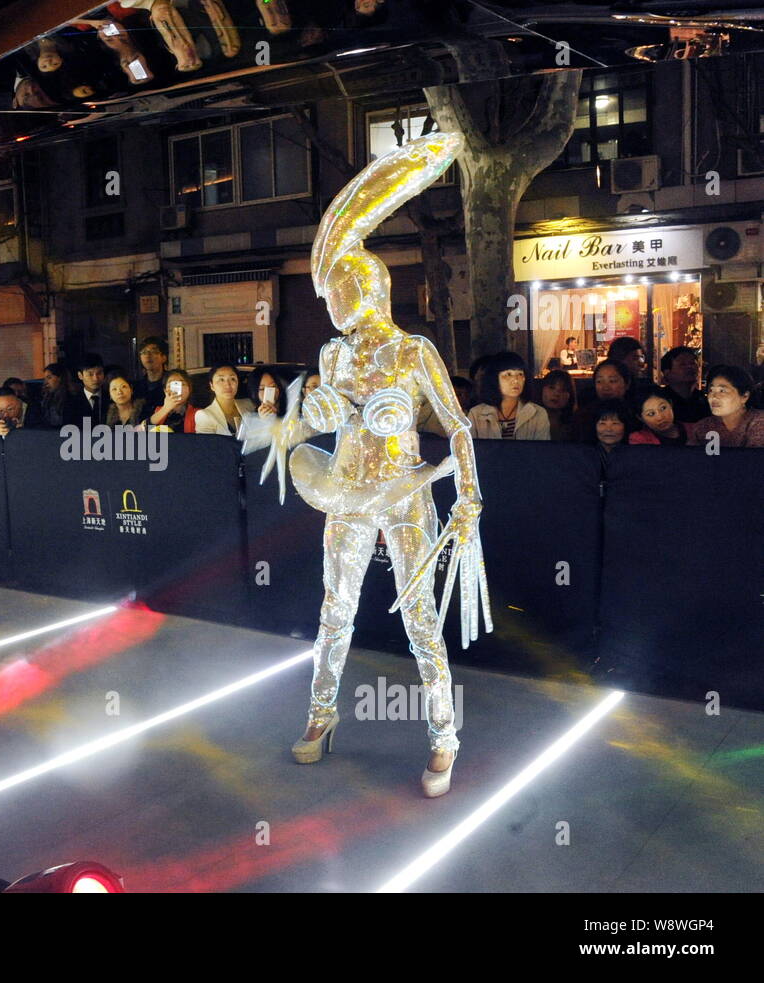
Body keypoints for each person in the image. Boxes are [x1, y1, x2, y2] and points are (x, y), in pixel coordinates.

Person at [250, 132, 486, 798]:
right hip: (346, 492)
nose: (327, 305)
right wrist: (306, 413)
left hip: (406, 496)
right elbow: (322, 419)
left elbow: (460, 425)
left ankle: (444, 733)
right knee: (335, 608)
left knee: (419, 621)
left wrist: (469, 498)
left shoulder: (414, 353)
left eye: (335, 293)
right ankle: (321, 714)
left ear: (363, 289)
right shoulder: (334, 354)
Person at [467, 351, 549, 439]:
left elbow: (541, 450)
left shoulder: (537, 413)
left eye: (520, 374)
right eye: (508, 374)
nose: (515, 380)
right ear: (494, 378)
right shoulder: (476, 414)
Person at [687, 364, 764, 448]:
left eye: (722, 391)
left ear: (745, 396)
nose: (713, 396)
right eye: (711, 390)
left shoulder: (759, 422)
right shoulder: (703, 427)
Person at [194, 364, 253, 435]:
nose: (228, 385)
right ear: (212, 386)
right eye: (221, 380)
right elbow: (206, 445)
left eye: (232, 379)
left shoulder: (249, 405)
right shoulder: (204, 416)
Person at [659, 346, 709, 423]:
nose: (690, 367)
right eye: (682, 364)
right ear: (667, 373)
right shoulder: (661, 400)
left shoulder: (704, 400)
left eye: (692, 363)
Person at [63, 354, 106, 426]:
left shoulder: (112, 398)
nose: (96, 378)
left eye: (99, 373)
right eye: (90, 374)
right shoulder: (71, 403)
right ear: (80, 375)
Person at [537, 369, 579, 442]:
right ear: (541, 389)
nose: (556, 394)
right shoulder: (529, 419)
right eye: (551, 387)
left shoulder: (576, 424)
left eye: (563, 390)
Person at [133, 336, 169, 411]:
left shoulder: (171, 383)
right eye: (144, 352)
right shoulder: (136, 387)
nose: (148, 356)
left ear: (163, 357)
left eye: (153, 352)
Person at [39, 362, 70, 428]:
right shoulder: (46, 398)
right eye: (45, 378)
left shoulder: (72, 398)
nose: (46, 382)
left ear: (60, 378)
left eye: (49, 378)